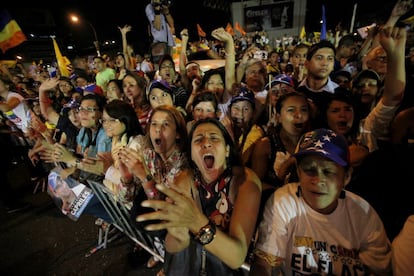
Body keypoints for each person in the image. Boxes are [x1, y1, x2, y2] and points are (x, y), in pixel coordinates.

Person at [250, 128, 392, 275]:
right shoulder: (285, 202)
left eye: (328, 171)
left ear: (347, 176)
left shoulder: (363, 215)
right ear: (298, 172)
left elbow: (381, 270)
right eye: (309, 170)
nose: (317, 181)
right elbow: (264, 265)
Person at [136, 117, 261, 275]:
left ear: (227, 150)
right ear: (192, 156)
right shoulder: (184, 180)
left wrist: (196, 222)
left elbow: (237, 257)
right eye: (198, 139)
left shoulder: (245, 182)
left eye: (214, 138)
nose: (206, 143)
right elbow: (172, 247)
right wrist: (178, 236)